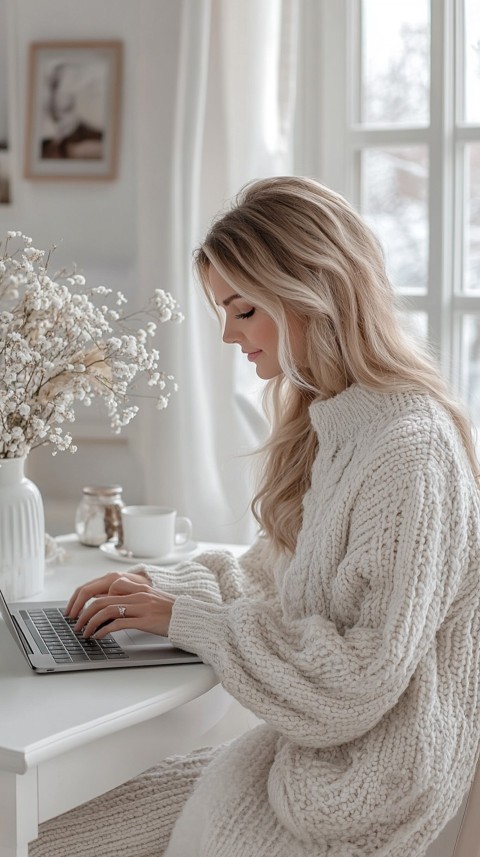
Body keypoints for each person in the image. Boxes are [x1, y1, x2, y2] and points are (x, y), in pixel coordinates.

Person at [30, 176, 480, 857]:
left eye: (242, 310)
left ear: (312, 293)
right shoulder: (335, 421)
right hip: (309, 751)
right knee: (50, 831)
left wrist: (184, 618)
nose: (226, 335)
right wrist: (156, 590)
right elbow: (269, 578)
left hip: (364, 783)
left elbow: (359, 680)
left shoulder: (409, 451)